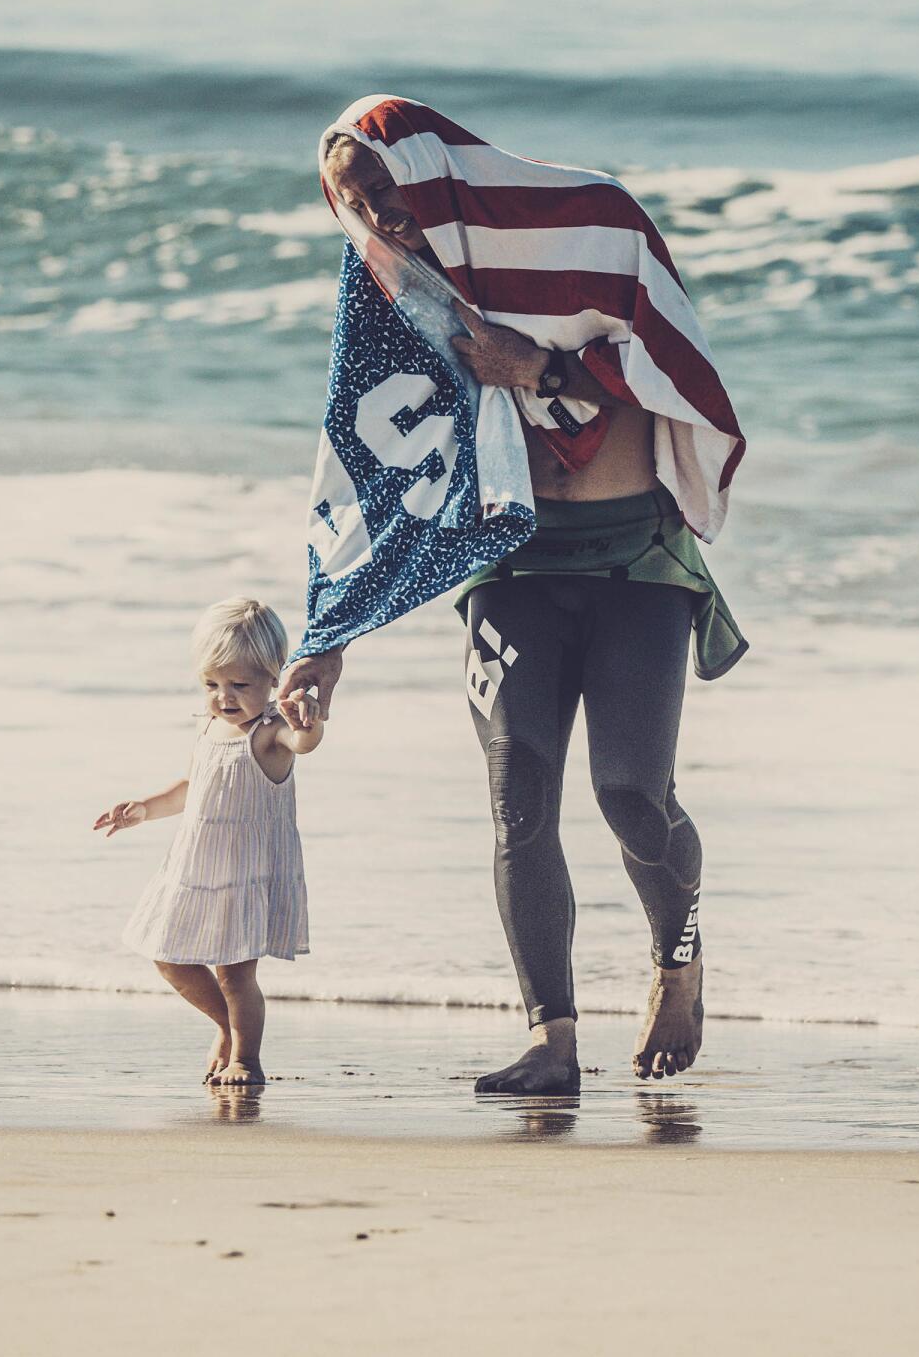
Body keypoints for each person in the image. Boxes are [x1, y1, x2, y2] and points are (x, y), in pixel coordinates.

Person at [279, 105, 747, 1098]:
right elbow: (377, 463)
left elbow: (678, 369)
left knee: (632, 792)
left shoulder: (596, 224)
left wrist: (535, 365)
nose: (380, 227)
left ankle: (679, 959)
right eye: (354, 210)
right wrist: (329, 637)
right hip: (513, 569)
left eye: (388, 199)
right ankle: (553, 1036)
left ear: (435, 178)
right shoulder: (395, 291)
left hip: (636, 559)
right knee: (517, 800)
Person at [95, 597, 323, 1087]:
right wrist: (143, 808)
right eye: (212, 684)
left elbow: (303, 743)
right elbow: (193, 787)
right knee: (167, 955)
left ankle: (247, 1060)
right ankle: (225, 1026)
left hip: (246, 872)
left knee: (236, 976)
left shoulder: (270, 733)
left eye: (240, 684)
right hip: (196, 868)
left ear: (273, 678)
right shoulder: (207, 727)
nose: (224, 697)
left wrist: (310, 723)